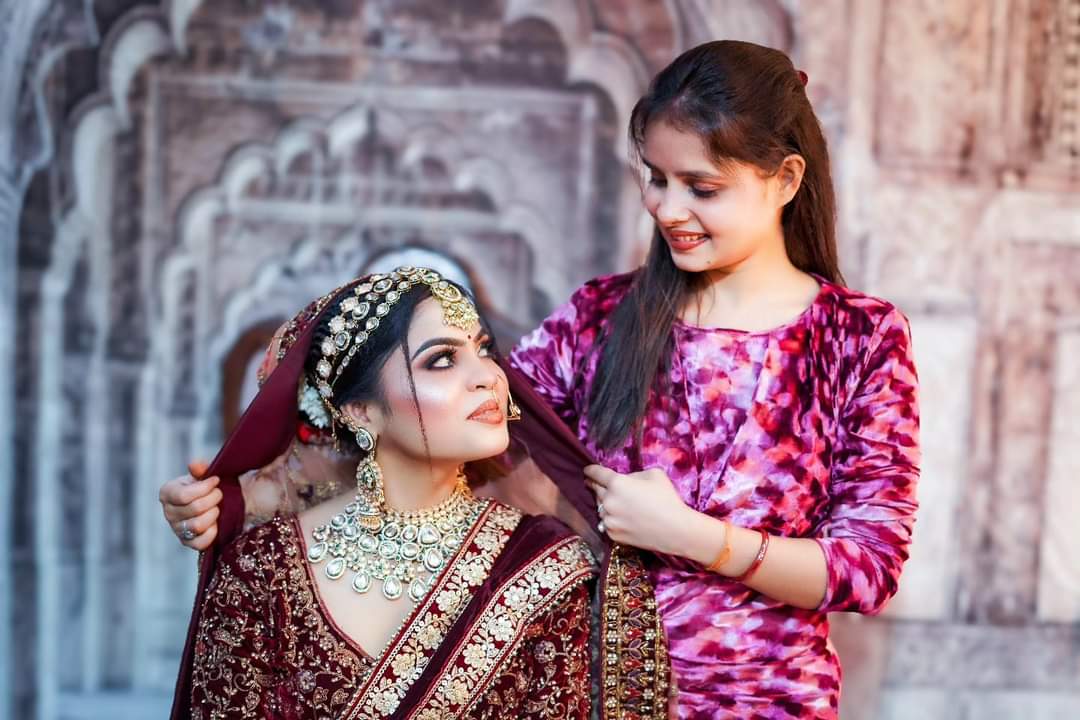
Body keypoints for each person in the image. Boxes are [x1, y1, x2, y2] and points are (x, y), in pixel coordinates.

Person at [164, 40, 920, 718]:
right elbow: (449, 438)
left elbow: (867, 568)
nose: (668, 209)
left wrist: (691, 537)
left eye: (702, 187)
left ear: (785, 179)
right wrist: (257, 498)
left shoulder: (858, 337)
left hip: (772, 700)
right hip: (586, 689)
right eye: (656, 179)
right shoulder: (602, 317)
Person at [172, 267, 597, 719]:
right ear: (361, 412)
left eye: (484, 349)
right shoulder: (262, 568)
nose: (488, 376)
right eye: (442, 360)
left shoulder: (543, 566)